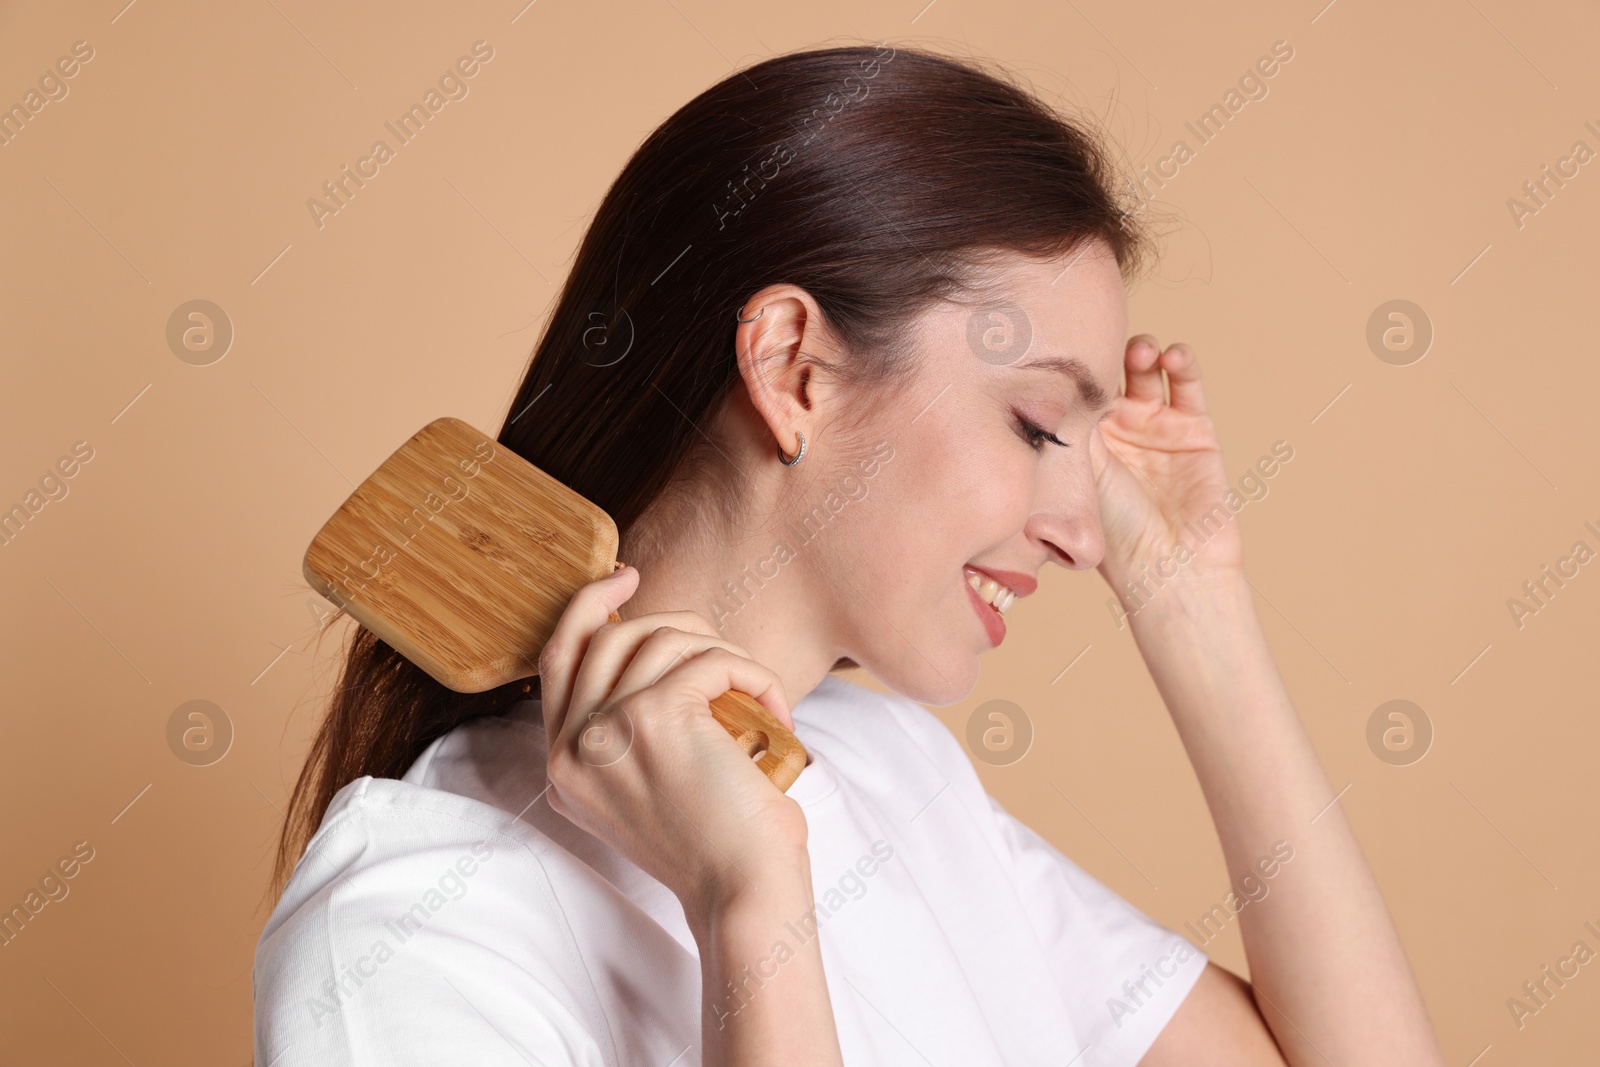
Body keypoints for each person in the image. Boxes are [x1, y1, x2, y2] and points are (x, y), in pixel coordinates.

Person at [253, 42, 1446, 1067]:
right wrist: (747, 906)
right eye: (1034, 423)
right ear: (794, 370)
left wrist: (1193, 602)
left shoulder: (889, 772)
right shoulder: (407, 927)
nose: (1082, 534)